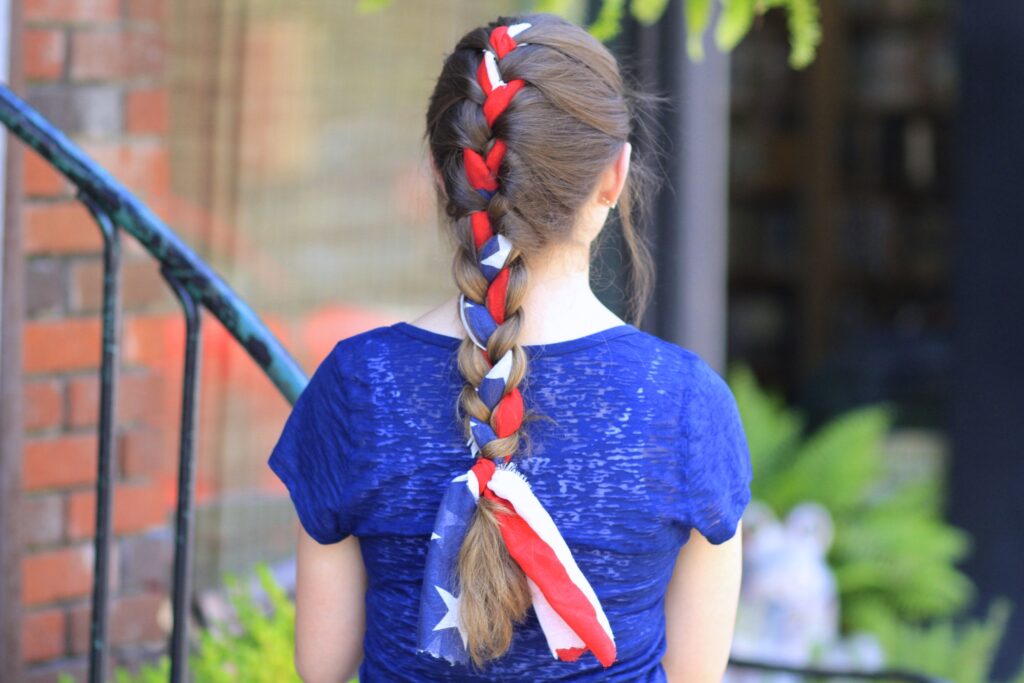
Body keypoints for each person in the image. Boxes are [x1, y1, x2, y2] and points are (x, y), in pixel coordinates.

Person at [267, 12, 753, 683]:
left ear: (446, 181)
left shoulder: (359, 384)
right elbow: (694, 674)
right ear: (614, 177)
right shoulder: (686, 403)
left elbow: (321, 666)